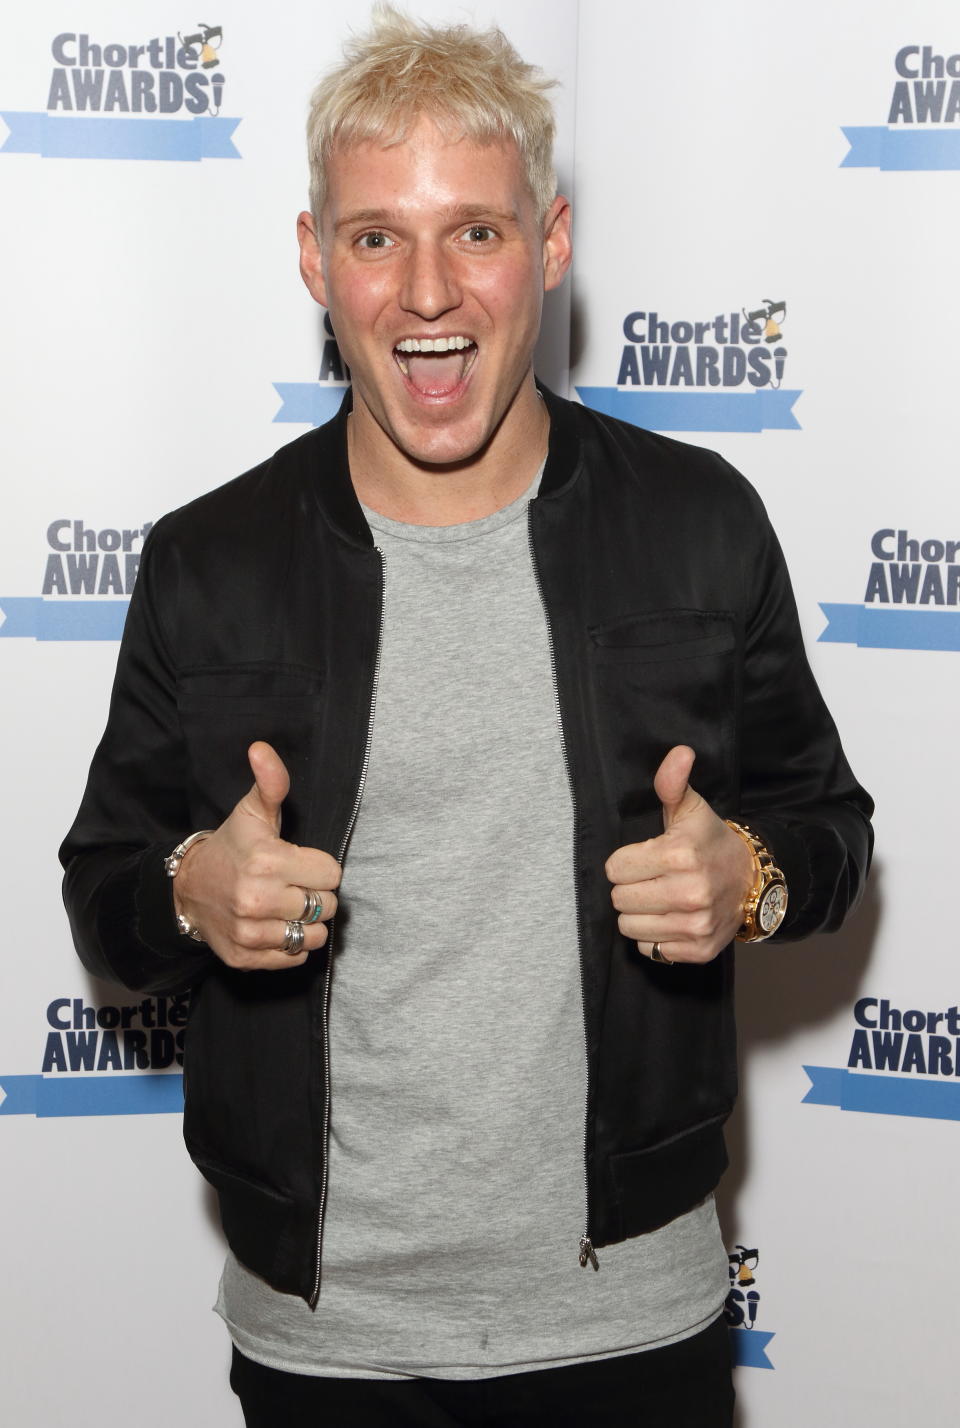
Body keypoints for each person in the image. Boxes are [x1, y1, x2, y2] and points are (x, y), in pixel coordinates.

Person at [60, 8, 873, 1425]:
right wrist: (191, 887)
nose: (428, 292)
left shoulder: (699, 526)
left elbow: (831, 835)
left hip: (633, 1318)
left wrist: (751, 877)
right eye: (377, 236)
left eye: (476, 234)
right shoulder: (212, 562)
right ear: (317, 260)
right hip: (328, 1344)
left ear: (551, 245)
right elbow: (106, 898)